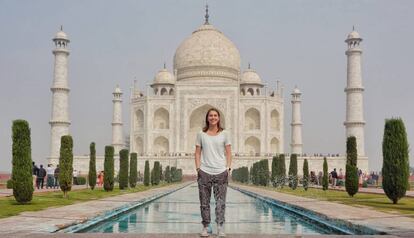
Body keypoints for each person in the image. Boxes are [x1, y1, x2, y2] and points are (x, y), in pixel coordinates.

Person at [195, 108, 232, 237]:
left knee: (220, 202)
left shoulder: (225, 134)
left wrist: (228, 168)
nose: (213, 117)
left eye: (215, 115)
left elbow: (228, 152)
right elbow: (197, 152)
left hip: (221, 171)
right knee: (204, 202)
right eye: (210, 115)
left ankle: (220, 227)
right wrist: (198, 168)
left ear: (219, 118)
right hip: (204, 171)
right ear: (207, 118)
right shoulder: (201, 134)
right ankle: (206, 227)